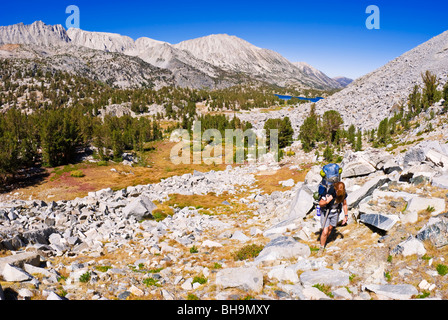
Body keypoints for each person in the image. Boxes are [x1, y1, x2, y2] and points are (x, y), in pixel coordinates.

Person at [318, 181, 348, 250]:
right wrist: (327, 201)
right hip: (326, 212)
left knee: (330, 228)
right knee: (325, 231)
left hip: (335, 213)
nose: (338, 193)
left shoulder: (343, 194)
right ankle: (322, 247)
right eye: (337, 191)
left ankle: (325, 239)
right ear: (335, 189)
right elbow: (320, 203)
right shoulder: (330, 192)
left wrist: (346, 216)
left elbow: (344, 204)